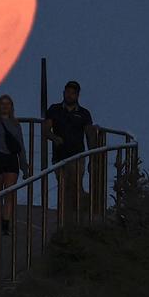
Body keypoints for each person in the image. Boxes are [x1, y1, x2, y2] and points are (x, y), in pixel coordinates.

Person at [45, 80, 95, 223]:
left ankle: (78, 214)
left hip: (77, 155)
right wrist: (54, 138)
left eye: (72, 93)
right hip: (59, 155)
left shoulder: (84, 113)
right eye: (67, 92)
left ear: (77, 95)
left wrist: (92, 157)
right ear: (63, 93)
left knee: (75, 184)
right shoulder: (54, 109)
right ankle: (66, 218)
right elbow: (46, 129)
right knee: (63, 186)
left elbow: (89, 135)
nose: (69, 95)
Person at [0, 92, 29, 235]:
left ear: (11, 107)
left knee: (9, 194)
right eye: (2, 104)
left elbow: (20, 145)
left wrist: (24, 166)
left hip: (11, 160)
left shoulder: (15, 124)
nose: (5, 107)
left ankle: (5, 224)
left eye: (8, 104)